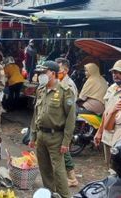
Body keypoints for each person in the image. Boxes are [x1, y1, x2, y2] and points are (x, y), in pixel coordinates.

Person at [28, 61, 76, 198]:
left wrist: (66, 142)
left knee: (59, 171)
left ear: (53, 73)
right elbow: (36, 114)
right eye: (40, 73)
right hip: (41, 134)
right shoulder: (41, 90)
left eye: (44, 72)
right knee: (44, 169)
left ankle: (65, 195)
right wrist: (33, 136)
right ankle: (50, 194)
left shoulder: (65, 91)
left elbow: (70, 118)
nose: (41, 75)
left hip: (56, 136)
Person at [93, 59, 121, 169]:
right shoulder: (112, 88)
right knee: (109, 167)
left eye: (120, 73)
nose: (116, 75)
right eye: (114, 72)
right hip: (108, 136)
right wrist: (99, 132)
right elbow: (106, 112)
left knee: (120, 170)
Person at [56, 57, 79, 187]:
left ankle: (72, 177)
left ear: (66, 70)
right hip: (57, 121)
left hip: (64, 122)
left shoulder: (68, 85)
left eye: (58, 69)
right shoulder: (58, 82)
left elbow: (69, 108)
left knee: (63, 149)